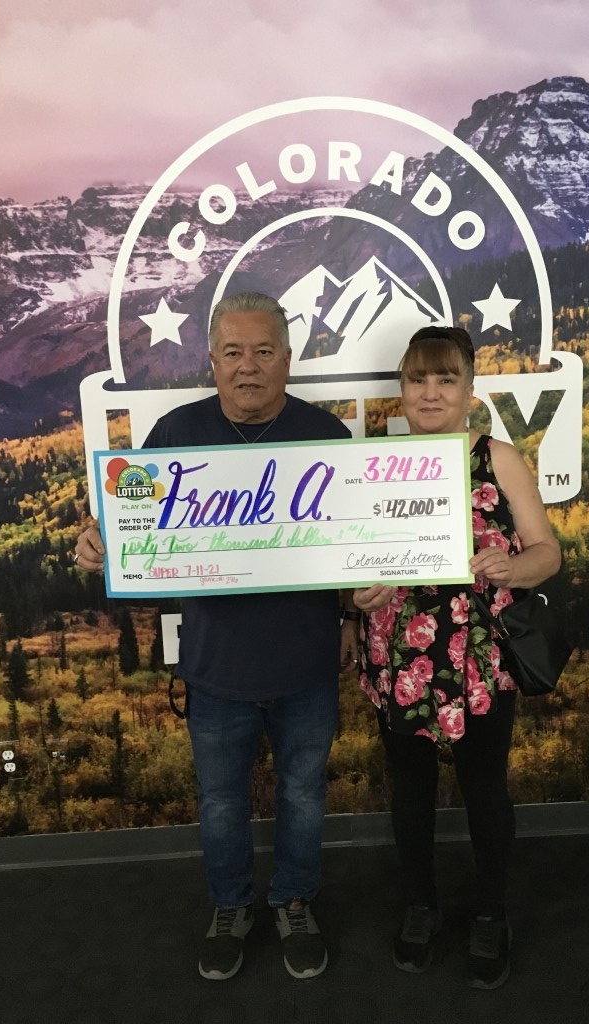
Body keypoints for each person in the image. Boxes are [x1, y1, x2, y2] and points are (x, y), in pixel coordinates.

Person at [74, 292, 360, 982]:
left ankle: (293, 900)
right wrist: (99, 543)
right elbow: (132, 532)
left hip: (307, 663)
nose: (248, 367)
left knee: (302, 796)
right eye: (233, 352)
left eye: (264, 352)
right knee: (222, 803)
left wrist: (356, 611)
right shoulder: (173, 435)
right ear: (212, 360)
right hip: (214, 667)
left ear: (287, 361)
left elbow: (357, 549)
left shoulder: (328, 439)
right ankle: (229, 908)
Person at [352, 326, 561, 989]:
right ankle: (419, 906)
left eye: (446, 379)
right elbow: (341, 561)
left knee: (483, 788)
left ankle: (491, 914)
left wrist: (512, 566)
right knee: (409, 788)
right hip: (398, 651)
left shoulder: (496, 457)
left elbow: (547, 551)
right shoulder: (372, 463)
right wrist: (354, 593)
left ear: (471, 390)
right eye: (419, 379)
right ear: (402, 390)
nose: (432, 392)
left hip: (478, 654)